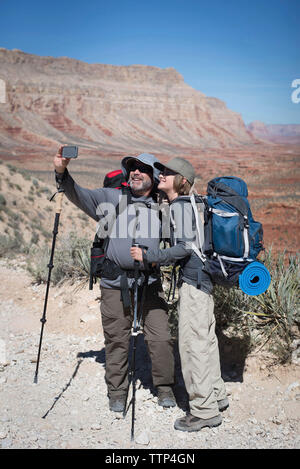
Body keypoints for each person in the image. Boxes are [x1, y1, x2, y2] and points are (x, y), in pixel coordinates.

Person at [53, 147, 176, 412]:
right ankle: (118, 392)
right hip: (113, 283)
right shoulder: (110, 198)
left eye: (143, 169)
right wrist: (61, 170)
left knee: (160, 337)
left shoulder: (163, 207)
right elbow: (76, 193)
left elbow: (180, 246)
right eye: (132, 167)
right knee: (116, 339)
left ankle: (165, 387)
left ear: (154, 176)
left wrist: (156, 258)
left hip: (149, 284)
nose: (136, 172)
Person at [130, 157, 228, 432]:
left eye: (169, 173)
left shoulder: (182, 206)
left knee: (192, 346)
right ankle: (217, 395)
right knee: (206, 341)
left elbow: (184, 248)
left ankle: (203, 410)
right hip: (204, 281)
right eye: (161, 171)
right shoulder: (193, 204)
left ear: (182, 181)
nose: (162, 175)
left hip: (195, 285)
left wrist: (151, 256)